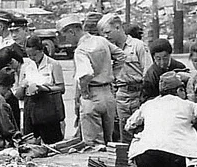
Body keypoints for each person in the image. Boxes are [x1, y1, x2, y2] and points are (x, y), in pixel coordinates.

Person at [126, 71, 197, 167]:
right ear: (179, 90)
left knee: (140, 130)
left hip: (145, 163)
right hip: (173, 164)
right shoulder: (189, 105)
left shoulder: (148, 105)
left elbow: (129, 125)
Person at [61, 14, 123, 149]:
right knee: (109, 142)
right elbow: (121, 55)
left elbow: (87, 74)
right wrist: (113, 73)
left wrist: (84, 92)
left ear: (72, 31)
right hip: (108, 94)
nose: (66, 40)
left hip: (92, 95)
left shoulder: (80, 50)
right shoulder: (101, 41)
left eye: (66, 36)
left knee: (94, 146)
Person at [99, 12, 153, 143]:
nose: (106, 36)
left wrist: (145, 96)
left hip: (138, 93)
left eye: (108, 32)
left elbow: (148, 72)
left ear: (118, 27)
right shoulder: (108, 50)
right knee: (125, 132)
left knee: (142, 131)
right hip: (121, 95)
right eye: (103, 34)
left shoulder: (138, 46)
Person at [20, 36, 66, 144]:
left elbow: (61, 88)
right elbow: (19, 91)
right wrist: (23, 86)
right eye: (29, 55)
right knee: (31, 143)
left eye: (34, 55)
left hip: (48, 107)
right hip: (31, 106)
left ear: (41, 50)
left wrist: (44, 88)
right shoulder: (26, 66)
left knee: (52, 142)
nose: (32, 58)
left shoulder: (53, 64)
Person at [141, 38, 188, 103]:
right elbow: (145, 98)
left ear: (170, 55)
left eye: (165, 57)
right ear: (154, 58)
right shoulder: (151, 74)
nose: (162, 62)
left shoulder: (180, 67)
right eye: (158, 59)